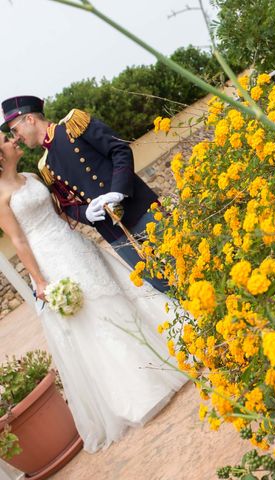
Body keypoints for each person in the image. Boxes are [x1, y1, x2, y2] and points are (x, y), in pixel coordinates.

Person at [0, 132, 187, 453]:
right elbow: (18, 242)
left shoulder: (31, 175)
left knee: (113, 294)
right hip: (48, 259)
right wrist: (40, 281)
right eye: (6, 140)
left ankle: (167, 355)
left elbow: (58, 211)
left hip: (70, 244)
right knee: (93, 318)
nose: (13, 140)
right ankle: (138, 390)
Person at [0, 95, 167, 292]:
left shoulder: (74, 125)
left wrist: (117, 192)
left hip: (141, 209)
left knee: (185, 258)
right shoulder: (46, 165)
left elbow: (119, 150)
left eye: (14, 129)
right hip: (114, 233)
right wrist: (86, 213)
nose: (16, 136)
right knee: (160, 286)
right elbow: (67, 204)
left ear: (29, 119)